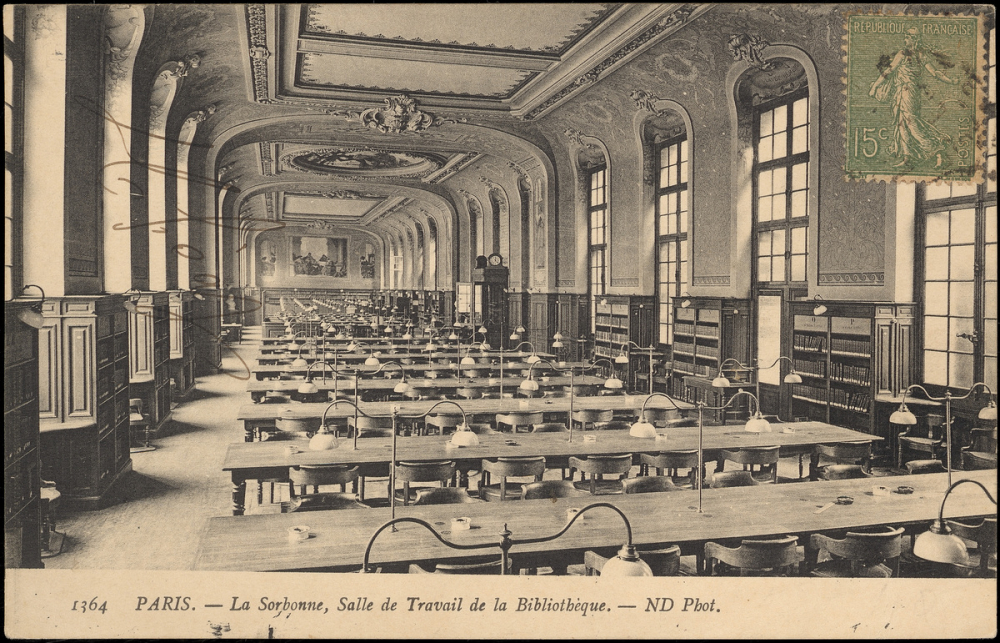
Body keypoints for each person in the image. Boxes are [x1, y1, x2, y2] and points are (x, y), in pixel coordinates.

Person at [868, 27, 959, 167]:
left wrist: (875, 86)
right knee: (902, 123)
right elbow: (934, 72)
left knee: (911, 123)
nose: (905, 37)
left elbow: (890, 71)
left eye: (908, 36)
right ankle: (907, 157)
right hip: (904, 92)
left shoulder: (904, 53)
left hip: (907, 92)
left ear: (914, 39)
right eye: (905, 35)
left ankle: (937, 150)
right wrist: (951, 81)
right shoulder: (919, 55)